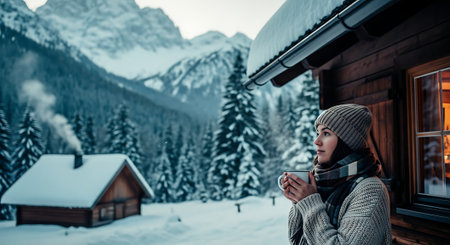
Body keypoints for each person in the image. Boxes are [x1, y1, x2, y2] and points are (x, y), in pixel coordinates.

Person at [280, 104, 391, 245]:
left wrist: (309, 202)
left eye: (326, 133)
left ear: (346, 141)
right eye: (318, 133)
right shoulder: (320, 181)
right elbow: (296, 239)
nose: (317, 141)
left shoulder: (371, 190)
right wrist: (298, 201)